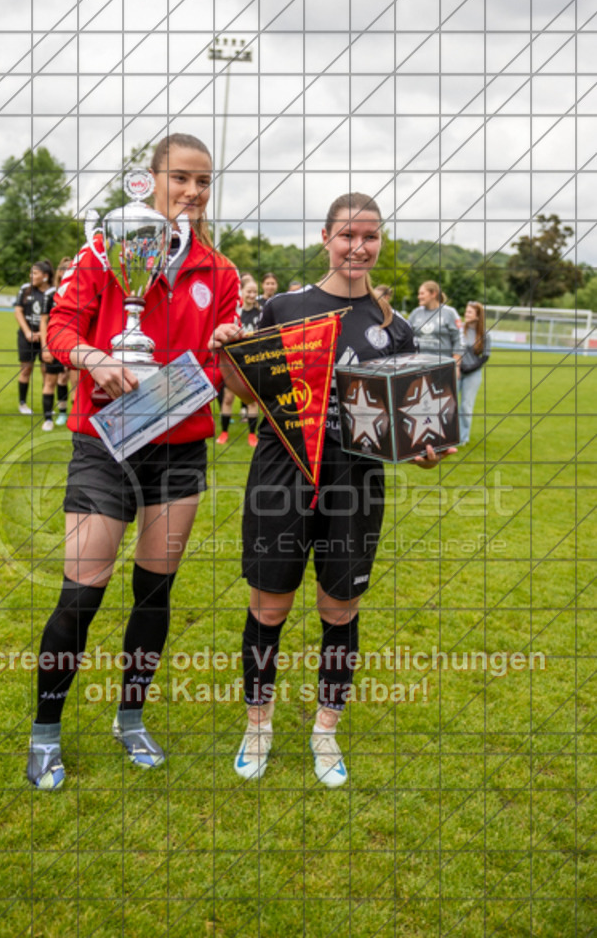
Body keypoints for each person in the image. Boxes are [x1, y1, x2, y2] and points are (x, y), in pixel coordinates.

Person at [211, 193, 456, 788]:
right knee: (269, 606)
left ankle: (326, 730)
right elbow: (248, 393)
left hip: (355, 483)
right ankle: (259, 724)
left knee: (338, 608)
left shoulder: (392, 329)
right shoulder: (284, 306)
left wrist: (425, 455)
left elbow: (401, 431)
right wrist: (227, 352)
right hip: (281, 473)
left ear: (379, 243)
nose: (358, 247)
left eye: (369, 237)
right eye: (347, 235)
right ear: (326, 238)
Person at [27, 133, 240, 791]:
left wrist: (231, 350)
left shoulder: (222, 273)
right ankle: (45, 735)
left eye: (203, 182)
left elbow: (223, 373)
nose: (193, 192)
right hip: (104, 442)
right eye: (181, 178)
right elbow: (59, 331)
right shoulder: (101, 251)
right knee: (80, 592)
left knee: (154, 591)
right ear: (150, 179)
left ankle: (130, 716)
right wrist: (97, 359)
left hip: (179, 450)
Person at [217, 278, 261, 447]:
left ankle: (252, 435)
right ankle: (224, 432)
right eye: (248, 291)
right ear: (241, 291)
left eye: (254, 292)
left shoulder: (260, 313)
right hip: (234, 362)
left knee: (252, 400)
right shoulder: (235, 312)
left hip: (252, 362)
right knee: (227, 398)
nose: (252, 295)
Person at [14, 260, 54, 415]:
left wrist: (42, 334)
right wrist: (28, 332)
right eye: (30, 273)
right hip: (27, 337)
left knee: (46, 371)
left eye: (35, 273)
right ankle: (22, 403)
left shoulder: (52, 292)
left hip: (45, 338)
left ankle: (47, 406)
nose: (31, 276)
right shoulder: (25, 289)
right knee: (25, 369)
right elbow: (18, 311)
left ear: (45, 276)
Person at [39, 257, 72, 431]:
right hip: (53, 346)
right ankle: (47, 419)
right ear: (60, 272)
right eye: (65, 268)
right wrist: (46, 346)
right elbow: (43, 322)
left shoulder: (77, 292)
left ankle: (64, 414)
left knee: (68, 380)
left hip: (71, 345)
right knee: (50, 381)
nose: (69, 271)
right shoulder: (51, 294)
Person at [458, 301, 490, 445]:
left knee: (466, 405)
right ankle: (447, 436)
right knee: (449, 405)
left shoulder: (484, 335)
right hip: (457, 372)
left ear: (478, 316)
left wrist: (470, 368)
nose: (466, 314)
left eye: (470, 312)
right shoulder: (459, 330)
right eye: (466, 311)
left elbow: (485, 356)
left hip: (472, 374)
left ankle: (463, 437)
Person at [408, 281, 463, 361]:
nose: (419, 297)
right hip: (419, 364)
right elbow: (407, 337)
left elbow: (459, 339)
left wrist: (456, 363)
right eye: (419, 294)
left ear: (433, 294)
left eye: (422, 293)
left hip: (443, 364)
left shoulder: (450, 313)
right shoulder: (415, 313)